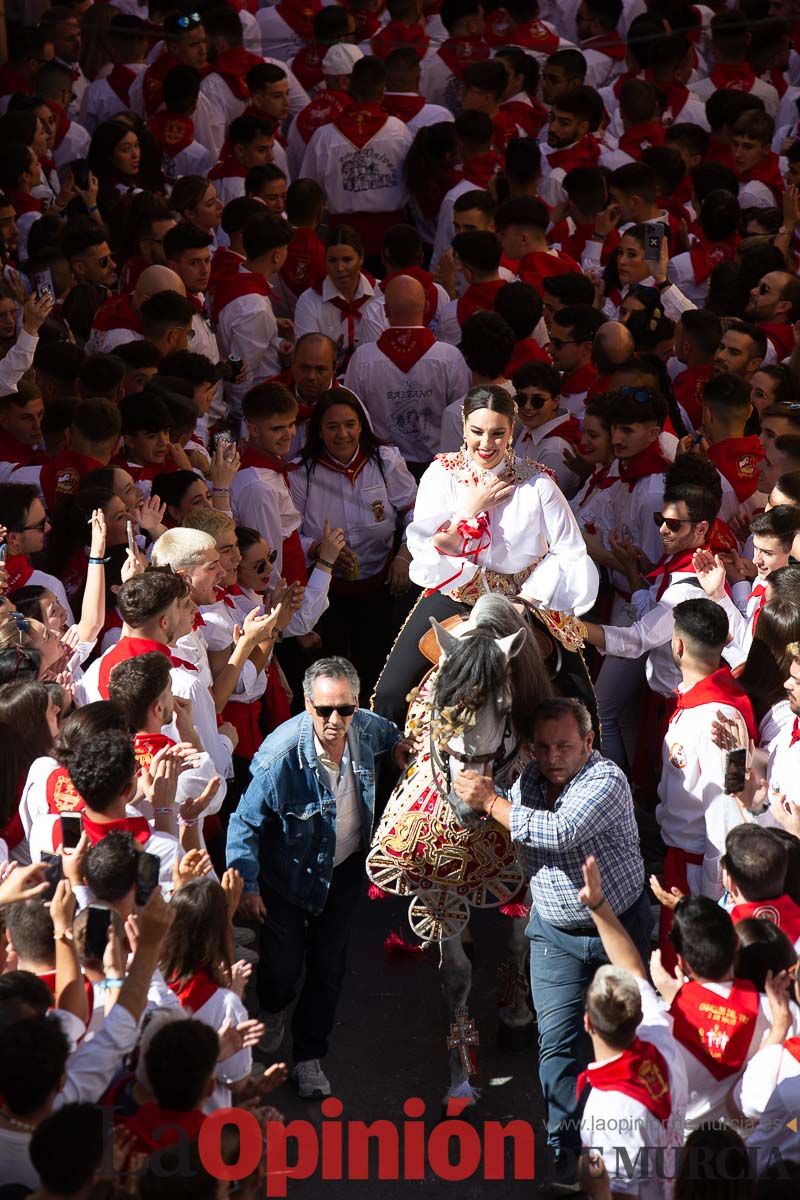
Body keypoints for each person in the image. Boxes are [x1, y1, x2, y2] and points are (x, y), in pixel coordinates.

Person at [453, 696, 650, 1186]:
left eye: (564, 745)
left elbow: (558, 832)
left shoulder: (606, 780)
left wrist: (491, 801)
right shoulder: (529, 781)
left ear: (588, 741)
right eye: (542, 747)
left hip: (618, 933)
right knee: (556, 1046)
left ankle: (631, 1149)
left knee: (629, 1041)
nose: (552, 756)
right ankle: (564, 1151)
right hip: (555, 937)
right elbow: (489, 821)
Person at [226, 656, 412, 1099]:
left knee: (328, 969)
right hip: (287, 879)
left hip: (343, 872)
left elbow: (393, 737)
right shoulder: (279, 757)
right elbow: (244, 824)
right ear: (307, 706)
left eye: (344, 710)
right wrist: (247, 886)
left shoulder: (365, 728)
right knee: (283, 971)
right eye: (324, 710)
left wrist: (401, 750)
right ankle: (272, 1010)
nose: (335, 720)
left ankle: (309, 1057)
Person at [371, 385, 597, 725]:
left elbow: (570, 552)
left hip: (524, 599)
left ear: (512, 430)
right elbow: (429, 545)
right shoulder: (441, 475)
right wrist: (470, 509)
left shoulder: (538, 484)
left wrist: (529, 598)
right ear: (463, 427)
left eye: (497, 433)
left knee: (582, 704)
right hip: (458, 593)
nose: (487, 444)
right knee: (388, 696)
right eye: (477, 432)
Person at [290, 388, 417, 693]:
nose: (343, 434)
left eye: (350, 424)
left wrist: (404, 554)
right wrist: (319, 548)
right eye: (332, 426)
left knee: (376, 666)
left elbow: (415, 510)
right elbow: (290, 533)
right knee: (332, 669)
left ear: (362, 425)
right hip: (325, 590)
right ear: (318, 431)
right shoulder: (301, 472)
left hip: (380, 584)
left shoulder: (386, 460)